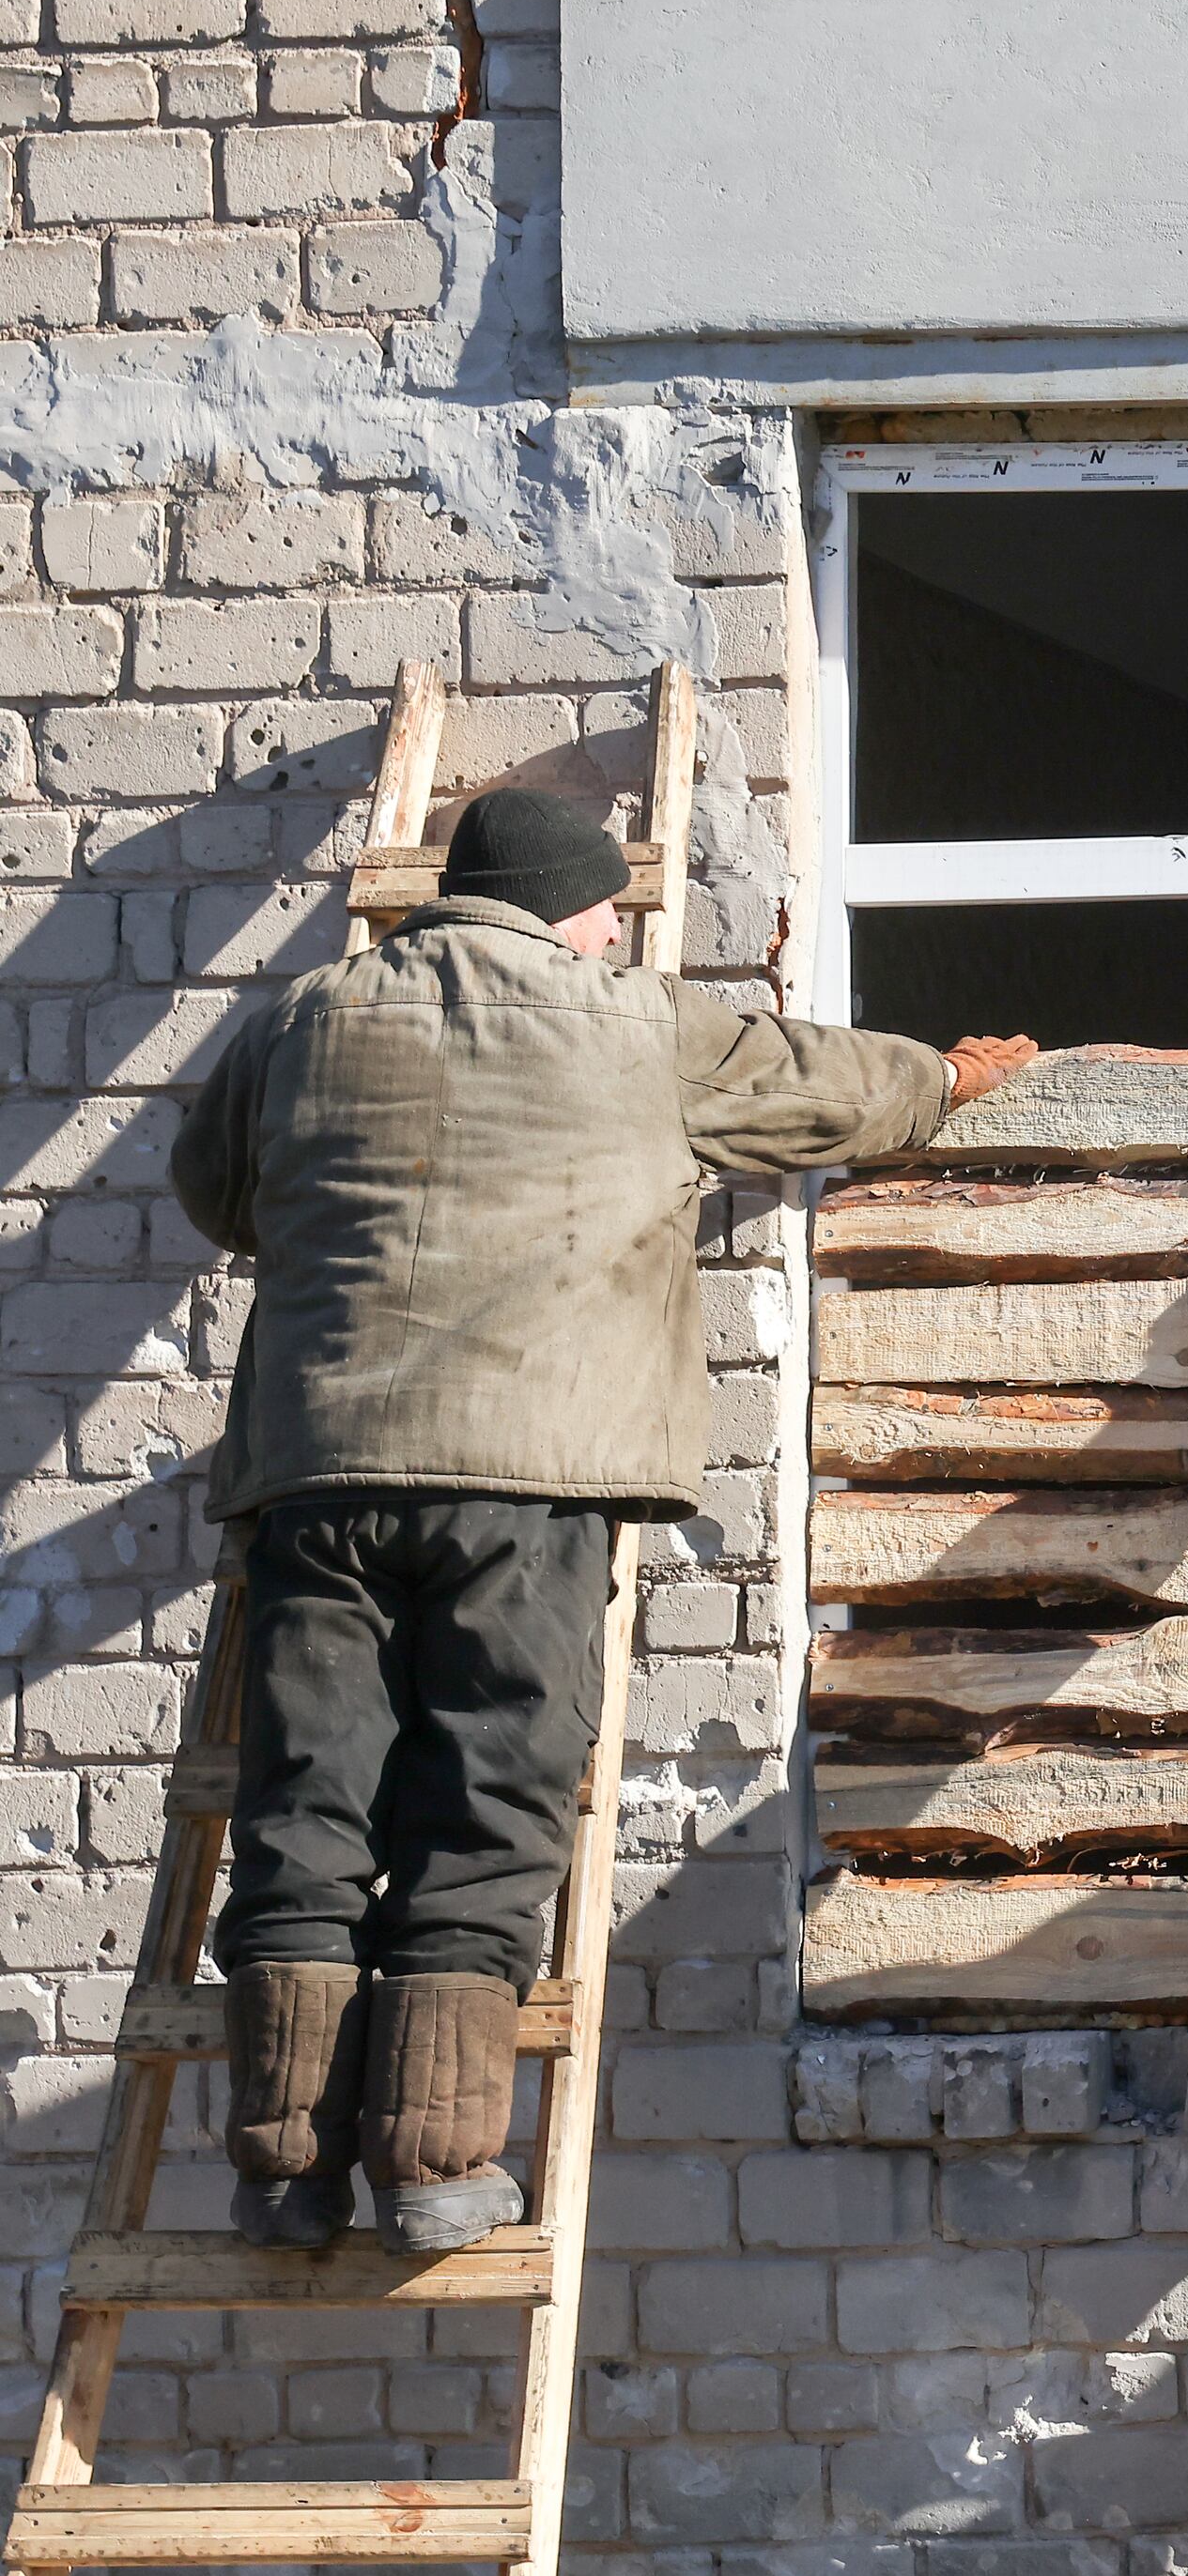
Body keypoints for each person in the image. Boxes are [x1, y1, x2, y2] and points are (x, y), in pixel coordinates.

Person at [171, 784, 1027, 2252]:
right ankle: (437, 2160)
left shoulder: (304, 1011)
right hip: (529, 1477)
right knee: (488, 1797)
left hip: (319, 1472)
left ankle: (279, 2163)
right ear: (586, 912)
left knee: (306, 1806)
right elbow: (825, 1086)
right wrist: (948, 1077)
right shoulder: (636, 1020)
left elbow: (215, 1192)